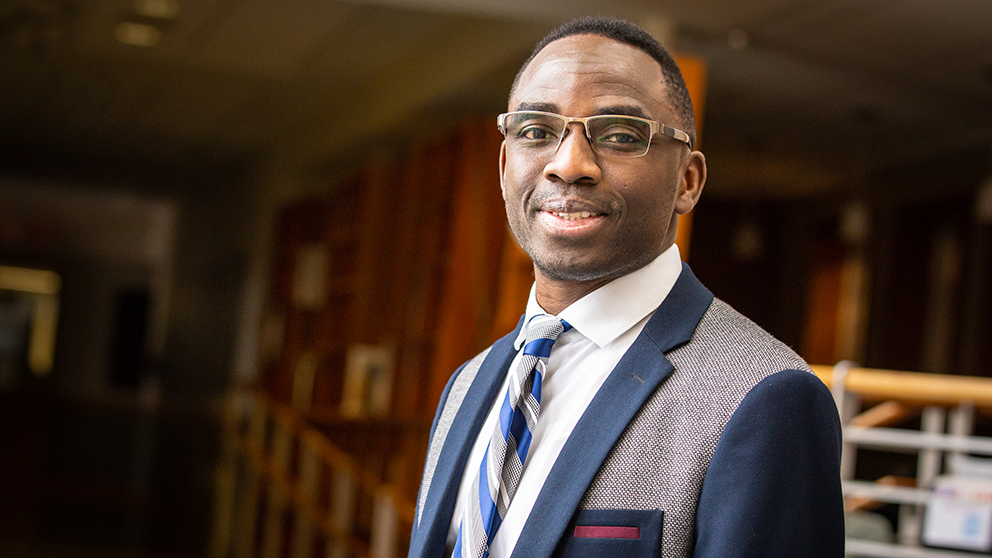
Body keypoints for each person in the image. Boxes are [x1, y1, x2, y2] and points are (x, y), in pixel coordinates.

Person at [408, 16, 844, 558]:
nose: (569, 166)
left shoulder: (764, 398)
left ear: (688, 181)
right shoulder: (466, 386)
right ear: (504, 166)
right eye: (536, 132)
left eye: (619, 135)